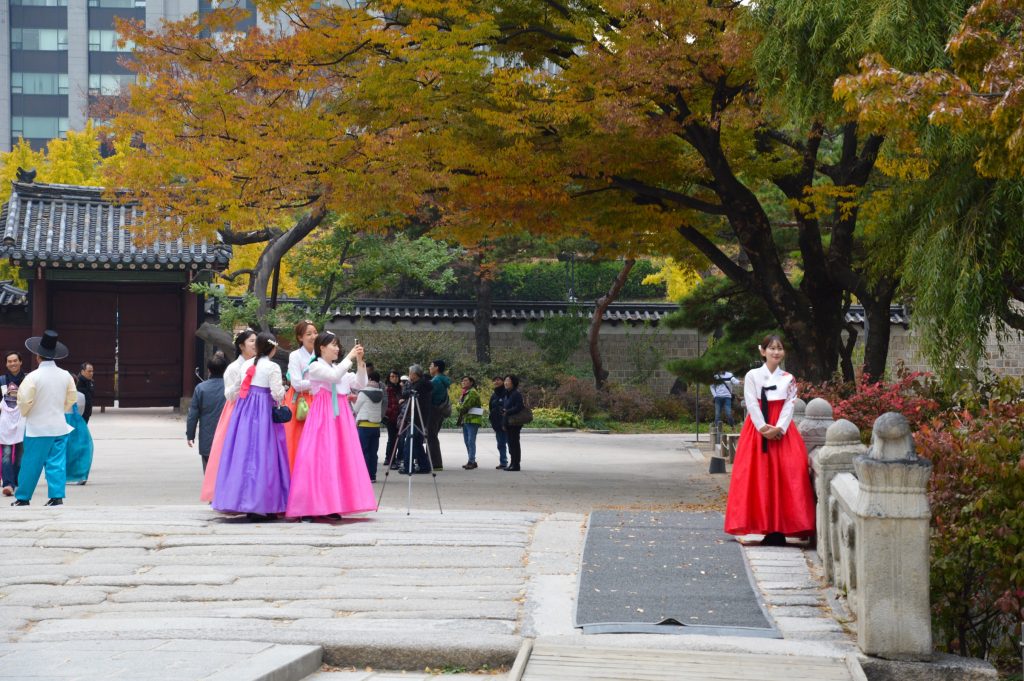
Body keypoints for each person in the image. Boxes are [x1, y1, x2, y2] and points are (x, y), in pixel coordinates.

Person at [723, 334, 816, 546]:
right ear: (762, 351)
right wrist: (764, 428)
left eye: (779, 348)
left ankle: (783, 527)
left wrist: (779, 428)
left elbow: (790, 405)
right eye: (771, 348)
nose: (776, 352)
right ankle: (762, 524)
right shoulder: (752, 376)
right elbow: (751, 404)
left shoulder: (788, 378)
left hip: (783, 431)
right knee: (758, 475)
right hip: (757, 430)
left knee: (788, 473)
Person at [286, 333, 375, 519]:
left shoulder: (338, 367)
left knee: (338, 459)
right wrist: (350, 357)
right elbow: (333, 377)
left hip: (341, 416)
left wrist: (360, 362)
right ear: (322, 348)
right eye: (333, 345)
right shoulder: (315, 366)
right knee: (318, 459)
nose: (337, 348)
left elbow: (360, 383)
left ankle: (333, 504)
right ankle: (308, 507)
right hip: (323, 415)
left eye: (337, 345)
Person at [212, 332, 290, 521]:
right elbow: (277, 394)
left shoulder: (246, 364)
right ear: (272, 349)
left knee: (245, 455)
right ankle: (267, 504)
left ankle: (245, 502)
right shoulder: (273, 367)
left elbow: (234, 391)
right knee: (267, 456)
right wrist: (284, 390)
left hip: (244, 412)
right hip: (264, 411)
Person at [12, 330, 77, 507]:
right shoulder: (65, 375)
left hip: (38, 427)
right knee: (57, 462)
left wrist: (28, 412)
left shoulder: (33, 377)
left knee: (31, 462)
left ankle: (23, 497)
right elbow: (71, 398)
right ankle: (56, 496)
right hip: (59, 425)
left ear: (38, 357)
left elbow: (24, 400)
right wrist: (58, 409)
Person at [200, 329, 257, 502]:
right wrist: (242, 381)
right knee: (235, 453)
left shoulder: (260, 364)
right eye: (251, 341)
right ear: (241, 345)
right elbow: (229, 395)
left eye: (256, 341)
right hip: (237, 412)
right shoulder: (233, 368)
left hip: (255, 411)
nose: (255, 344)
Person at [186, 352, 228, 473]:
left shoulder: (201, 388)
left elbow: (193, 415)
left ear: (209, 370)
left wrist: (190, 435)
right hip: (227, 434)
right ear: (225, 369)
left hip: (207, 436)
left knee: (209, 470)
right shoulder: (231, 388)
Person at [284, 320, 317, 471]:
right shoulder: (295, 355)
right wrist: (318, 382)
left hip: (317, 399)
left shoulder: (321, 353)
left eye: (315, 333)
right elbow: (296, 383)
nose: (313, 336)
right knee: (297, 440)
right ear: (300, 337)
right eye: (308, 334)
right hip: (300, 401)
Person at [395, 364, 432, 474]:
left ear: (415, 375)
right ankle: (424, 466)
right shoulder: (425, 383)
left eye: (410, 373)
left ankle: (408, 467)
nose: (409, 375)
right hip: (421, 417)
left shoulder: (419, 385)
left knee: (409, 443)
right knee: (416, 443)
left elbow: (406, 394)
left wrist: (407, 389)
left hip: (416, 416)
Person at [0, 351, 26, 496]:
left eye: (15, 360)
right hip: (6, 422)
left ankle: (16, 481)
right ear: (6, 364)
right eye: (9, 361)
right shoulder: (2, 380)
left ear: (20, 362)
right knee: (7, 454)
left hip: (23, 421)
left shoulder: (28, 379)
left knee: (21, 454)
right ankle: (8, 484)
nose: (12, 363)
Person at [353, 370, 384, 482]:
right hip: (375, 427)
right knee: (373, 452)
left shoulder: (363, 393)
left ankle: (363, 476)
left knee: (363, 452)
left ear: (369, 379)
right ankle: (372, 476)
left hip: (364, 426)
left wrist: (352, 401)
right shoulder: (380, 393)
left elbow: (355, 409)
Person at [64, 392, 93, 485]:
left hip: (63, 423)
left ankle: (62, 475)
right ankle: (81, 475)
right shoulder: (81, 396)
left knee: (63, 450)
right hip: (78, 425)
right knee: (81, 450)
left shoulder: (57, 394)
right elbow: (81, 411)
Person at [426, 359, 451, 471]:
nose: (429, 368)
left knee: (431, 436)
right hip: (439, 411)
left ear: (436, 368)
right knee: (432, 436)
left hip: (433, 411)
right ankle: (432, 461)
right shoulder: (442, 380)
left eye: (431, 365)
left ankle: (435, 463)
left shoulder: (435, 381)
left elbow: (429, 396)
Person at [457, 376, 483, 470]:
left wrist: (458, 403)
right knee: (467, 441)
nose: (463, 382)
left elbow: (463, 407)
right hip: (466, 420)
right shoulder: (466, 393)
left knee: (470, 441)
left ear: (471, 382)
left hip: (473, 420)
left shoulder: (472, 393)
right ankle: (471, 460)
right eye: (462, 380)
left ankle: (471, 461)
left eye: (466, 380)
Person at [501, 374, 524, 472]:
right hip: (509, 422)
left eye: (508, 381)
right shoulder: (507, 393)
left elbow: (519, 407)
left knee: (514, 443)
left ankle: (516, 464)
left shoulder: (516, 393)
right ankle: (512, 463)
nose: (505, 382)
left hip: (515, 423)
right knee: (511, 443)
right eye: (505, 380)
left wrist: (507, 411)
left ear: (513, 382)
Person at [382, 370, 402, 466]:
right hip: (390, 417)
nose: (394, 378)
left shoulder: (400, 388)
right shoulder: (387, 389)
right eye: (392, 376)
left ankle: (393, 457)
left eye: (395, 376)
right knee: (392, 438)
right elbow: (386, 402)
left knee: (397, 438)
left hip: (399, 416)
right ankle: (389, 458)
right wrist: (389, 411)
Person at [488, 376, 508, 470]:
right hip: (497, 423)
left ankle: (514, 462)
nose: (496, 382)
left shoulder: (507, 393)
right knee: (500, 444)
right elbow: (490, 408)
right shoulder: (494, 395)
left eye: (498, 380)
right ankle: (503, 462)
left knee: (510, 443)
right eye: (494, 380)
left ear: (503, 381)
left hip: (507, 422)